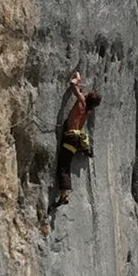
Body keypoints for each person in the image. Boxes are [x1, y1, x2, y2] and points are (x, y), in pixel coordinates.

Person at [52, 71, 101, 212]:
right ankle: (85, 149)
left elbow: (73, 85)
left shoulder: (81, 101)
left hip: (70, 137)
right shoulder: (87, 110)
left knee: (63, 166)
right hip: (76, 138)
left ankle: (64, 195)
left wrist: (78, 78)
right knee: (66, 163)